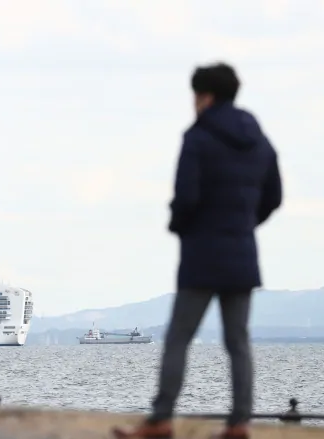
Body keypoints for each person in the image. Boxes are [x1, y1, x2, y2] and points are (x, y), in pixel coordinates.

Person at [112, 62, 283, 439]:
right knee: (238, 341)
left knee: (179, 338)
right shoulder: (257, 136)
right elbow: (275, 195)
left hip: (203, 253)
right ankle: (239, 424)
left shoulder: (198, 136)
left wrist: (179, 226)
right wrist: (244, 223)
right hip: (241, 251)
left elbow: (186, 197)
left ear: (204, 96)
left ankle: (160, 420)